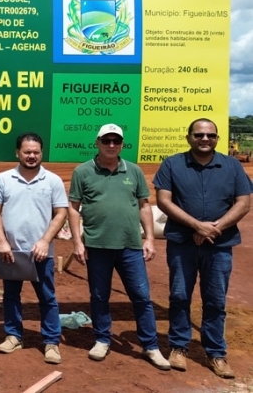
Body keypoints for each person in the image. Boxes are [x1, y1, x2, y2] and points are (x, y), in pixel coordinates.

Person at [67, 123, 171, 370]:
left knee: (141, 297)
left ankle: (150, 346)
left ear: (122, 144)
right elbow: (73, 208)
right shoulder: (82, 172)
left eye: (116, 141)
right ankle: (102, 340)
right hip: (97, 246)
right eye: (107, 140)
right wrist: (77, 242)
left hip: (130, 247)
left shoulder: (133, 171)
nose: (111, 145)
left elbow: (145, 206)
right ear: (98, 142)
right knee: (99, 295)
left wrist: (149, 238)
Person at [153, 118, 251, 378]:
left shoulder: (231, 166)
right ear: (189, 137)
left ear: (217, 138)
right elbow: (163, 201)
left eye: (210, 135)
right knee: (180, 295)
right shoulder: (172, 164)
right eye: (199, 135)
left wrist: (212, 228)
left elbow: (243, 202)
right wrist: (197, 226)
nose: (204, 139)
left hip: (220, 246)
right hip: (182, 244)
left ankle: (216, 353)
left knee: (216, 300)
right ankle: (178, 347)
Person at [0, 132, 68, 364]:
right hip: (11, 252)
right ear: (18, 153)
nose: (32, 156)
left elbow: (61, 212)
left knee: (47, 297)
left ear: (41, 153)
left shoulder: (52, 181)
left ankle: (51, 341)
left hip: (42, 253)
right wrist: (2, 241)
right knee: (11, 296)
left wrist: (44, 241)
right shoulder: (3, 179)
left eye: (36, 152)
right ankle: (14, 335)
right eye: (27, 152)